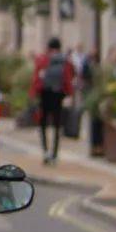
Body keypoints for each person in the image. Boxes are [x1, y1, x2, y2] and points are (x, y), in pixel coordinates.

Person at [31, 37, 74, 165]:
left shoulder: (43, 60)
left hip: (44, 95)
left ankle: (45, 151)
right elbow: (68, 78)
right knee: (57, 125)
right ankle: (54, 153)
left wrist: (34, 94)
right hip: (58, 95)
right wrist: (68, 93)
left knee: (43, 124)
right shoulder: (64, 61)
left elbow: (36, 79)